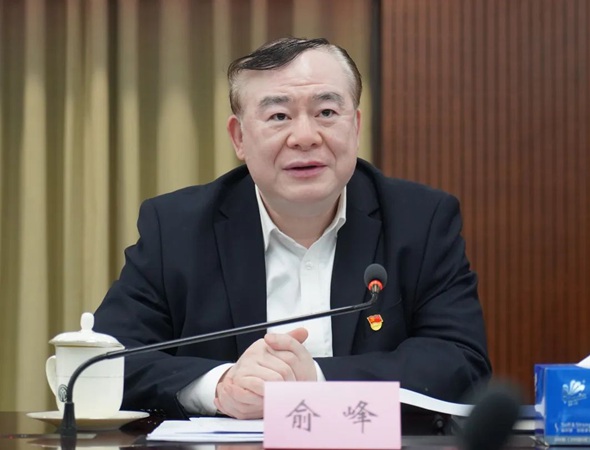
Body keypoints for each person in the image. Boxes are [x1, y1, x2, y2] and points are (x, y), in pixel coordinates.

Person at [94, 37, 491, 425]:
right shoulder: (177, 227)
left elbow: (461, 362)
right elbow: (105, 362)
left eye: (326, 112)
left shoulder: (420, 220)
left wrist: (313, 381)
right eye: (279, 116)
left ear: (355, 127)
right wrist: (220, 386)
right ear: (239, 138)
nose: (305, 137)